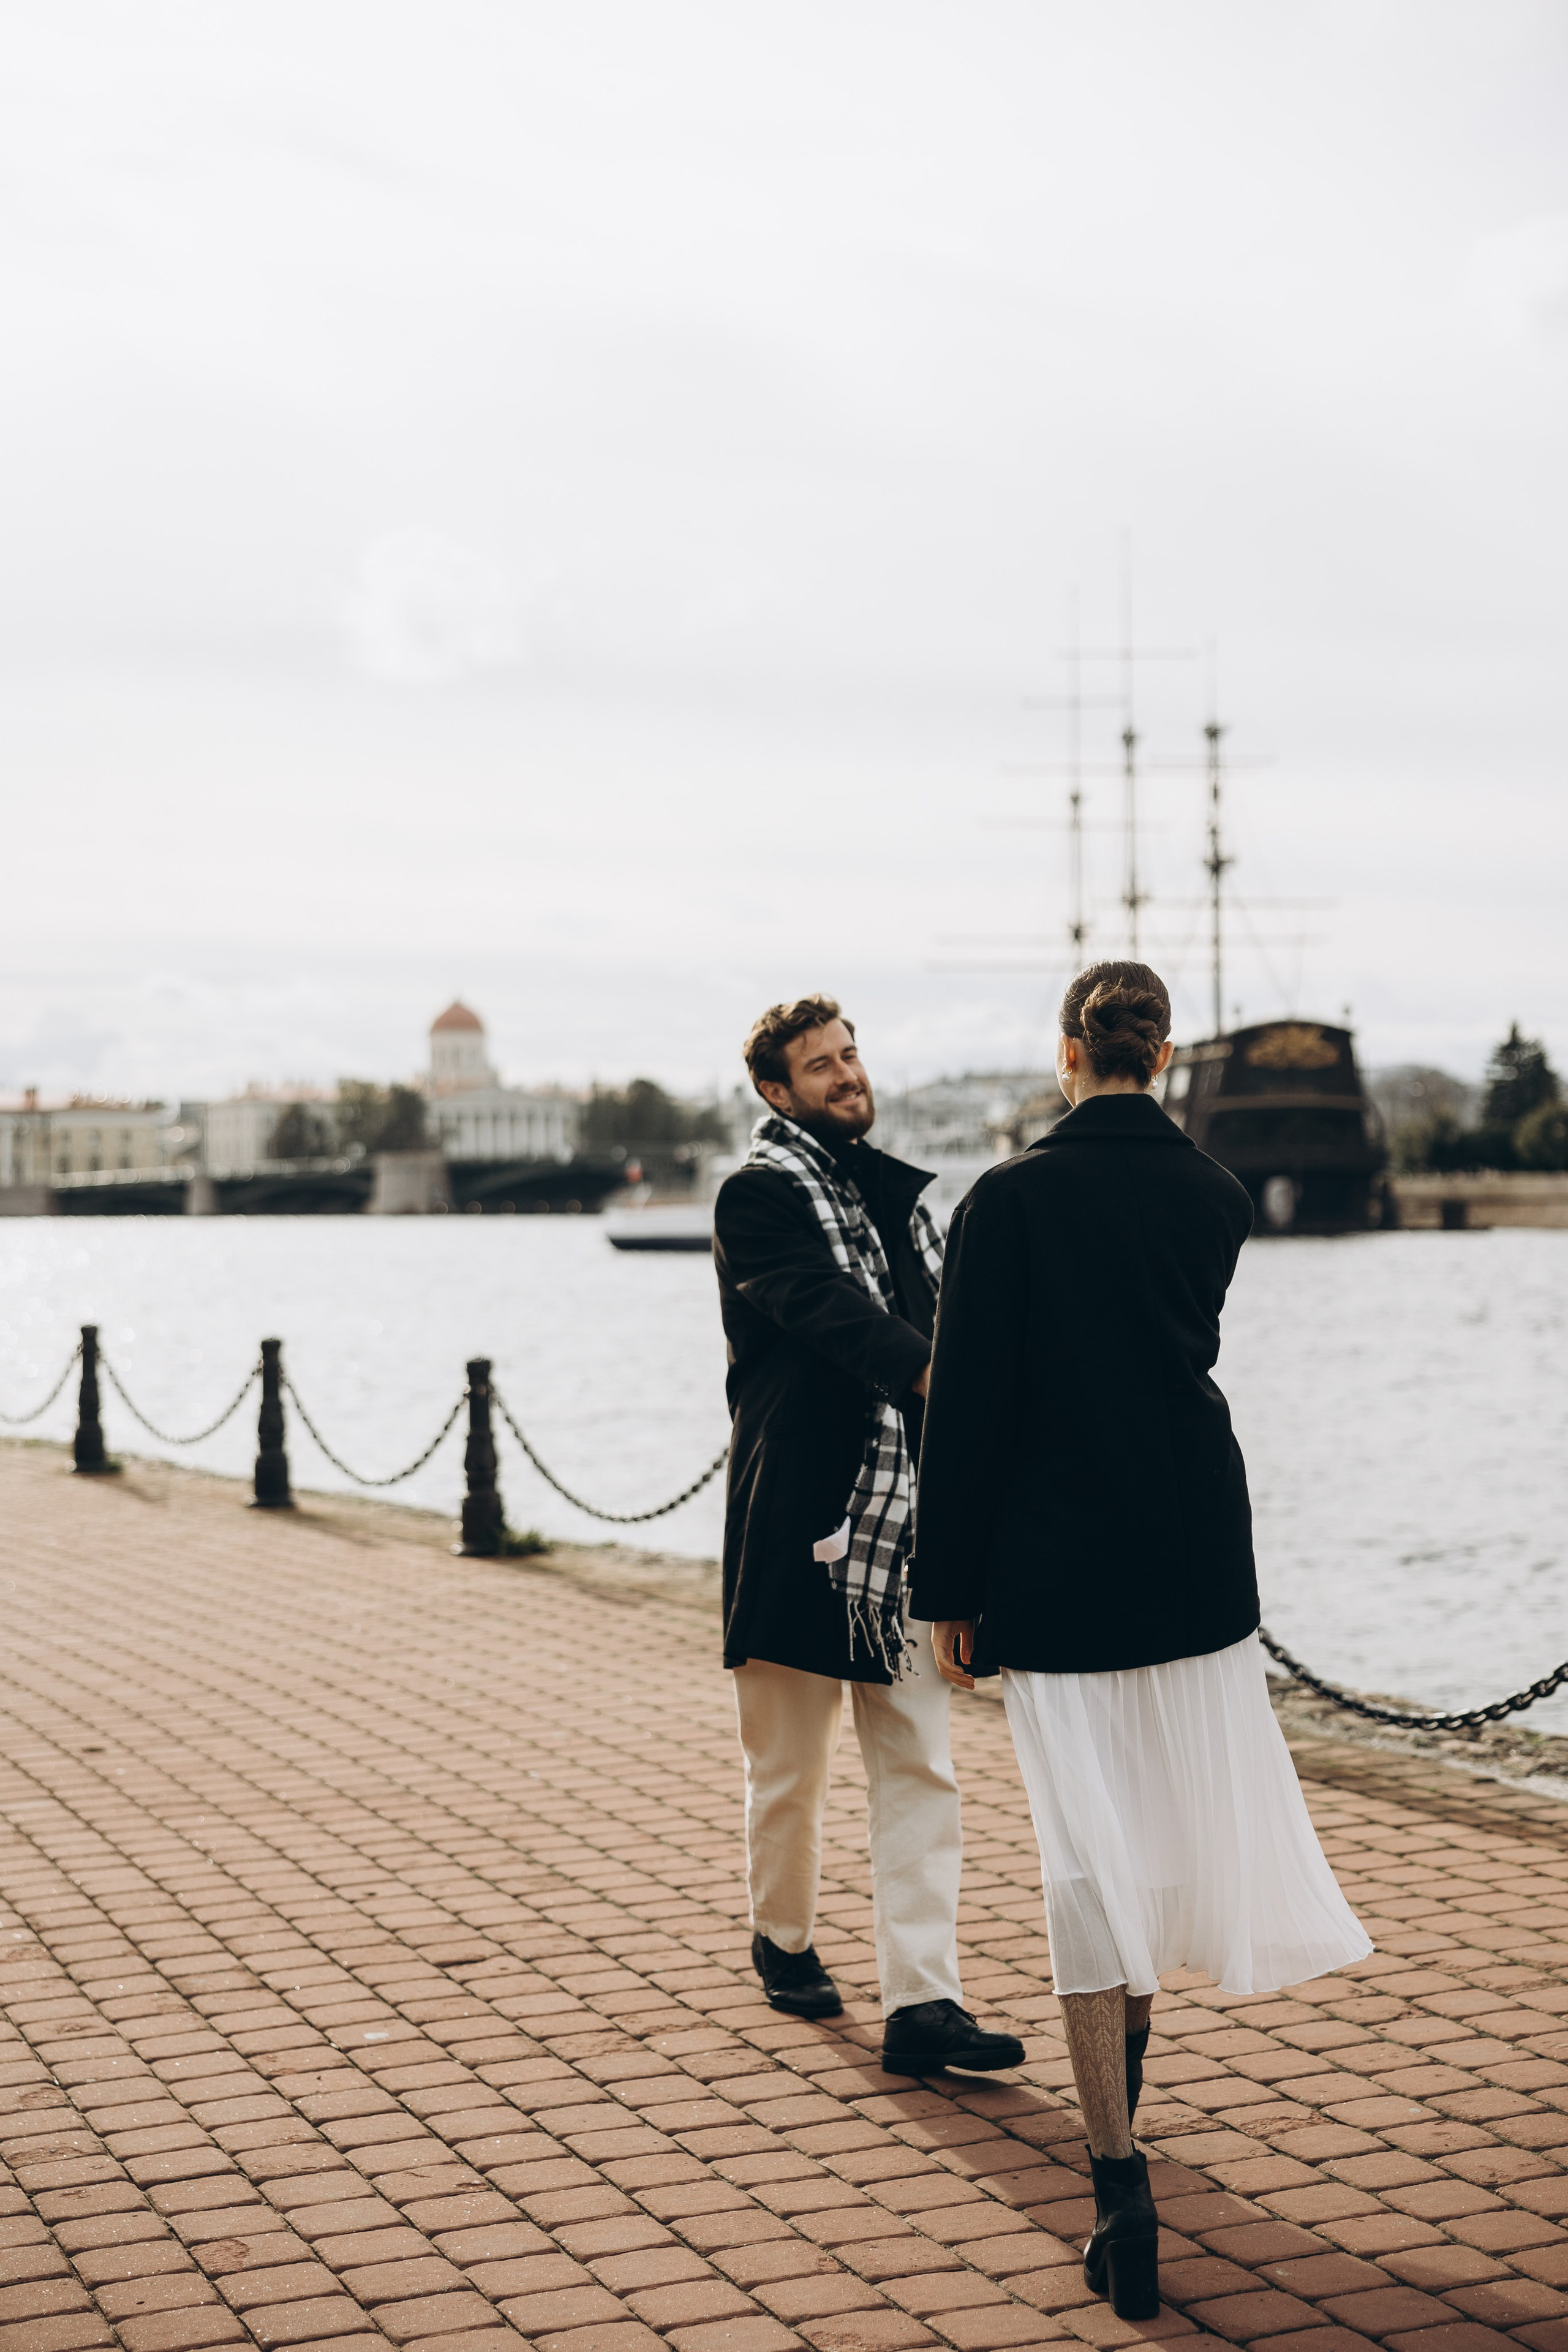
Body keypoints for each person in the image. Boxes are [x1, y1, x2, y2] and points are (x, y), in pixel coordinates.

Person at [911, 961, 1371, 2321]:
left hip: (1052, 1572)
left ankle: (1116, 2184)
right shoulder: (1214, 1197)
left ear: (1067, 1051)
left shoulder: (1001, 1202)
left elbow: (970, 1413)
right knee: (1154, 1856)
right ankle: (1132, 2136)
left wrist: (950, 1589)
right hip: (1189, 1557)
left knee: (1083, 1867)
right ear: (1161, 1057)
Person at [714, 993, 1025, 2076]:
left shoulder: (904, 1204)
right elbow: (817, 1306)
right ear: (775, 1090)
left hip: (903, 1532)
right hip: (799, 1521)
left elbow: (956, 1316)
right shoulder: (755, 1199)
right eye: (819, 1065)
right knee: (789, 1767)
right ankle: (784, 1937)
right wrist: (940, 1371)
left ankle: (922, 2003)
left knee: (919, 1767)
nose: (846, 1075)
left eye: (850, 1055)